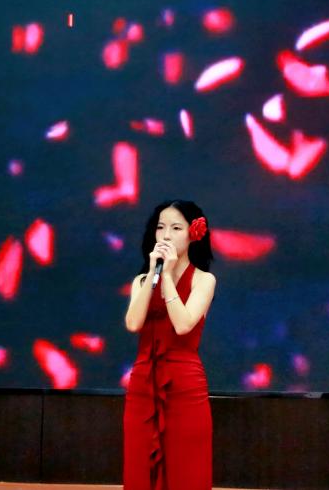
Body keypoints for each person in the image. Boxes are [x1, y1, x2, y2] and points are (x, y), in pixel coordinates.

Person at [123, 200, 217, 490]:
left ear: (193, 234)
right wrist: (154, 272)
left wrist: (167, 277)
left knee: (186, 469)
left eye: (176, 228)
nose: (166, 235)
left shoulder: (204, 280)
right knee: (140, 466)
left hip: (185, 386)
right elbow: (133, 323)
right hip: (143, 385)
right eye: (160, 227)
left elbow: (183, 324)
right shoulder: (142, 280)